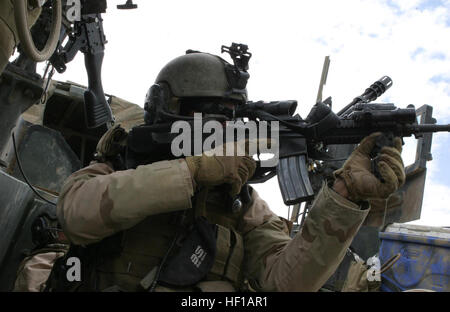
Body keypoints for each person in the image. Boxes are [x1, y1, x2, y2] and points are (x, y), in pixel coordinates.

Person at [45, 50, 405, 292]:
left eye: (232, 119)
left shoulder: (242, 204)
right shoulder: (119, 163)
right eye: (211, 116)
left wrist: (344, 198)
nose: (224, 130)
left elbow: (286, 282)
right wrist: (193, 170)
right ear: (168, 111)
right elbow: (77, 215)